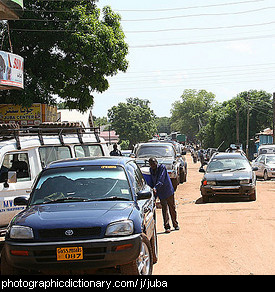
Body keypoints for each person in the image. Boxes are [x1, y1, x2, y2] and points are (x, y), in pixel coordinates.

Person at [148, 157, 179, 233]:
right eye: (151, 165)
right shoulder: (151, 170)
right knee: (164, 209)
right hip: (160, 192)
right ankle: (167, 226)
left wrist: (155, 187)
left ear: (156, 163)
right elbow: (152, 180)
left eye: (154, 164)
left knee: (172, 208)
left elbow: (161, 179)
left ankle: (175, 224)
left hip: (168, 190)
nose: (153, 166)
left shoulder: (162, 168)